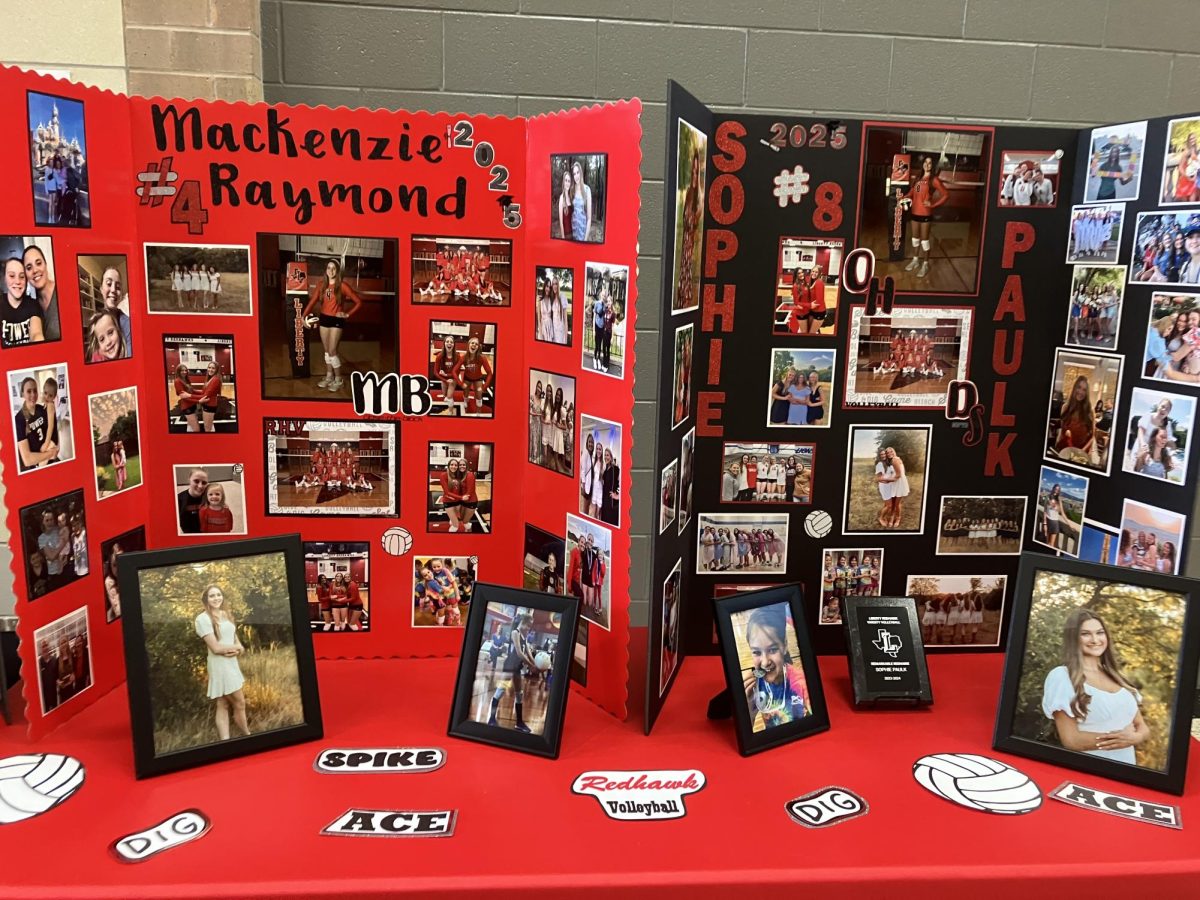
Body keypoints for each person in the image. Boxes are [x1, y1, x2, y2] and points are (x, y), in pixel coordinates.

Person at [1042, 608, 1148, 764]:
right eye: (1085, 634)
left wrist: (1135, 737)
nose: (1095, 639)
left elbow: (1142, 726)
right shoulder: (1062, 676)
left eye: (1100, 632)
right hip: (1091, 768)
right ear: (1073, 639)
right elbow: (1071, 740)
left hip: (1127, 766)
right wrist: (1121, 739)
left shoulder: (1118, 677)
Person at [194, 585, 250, 741]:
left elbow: (236, 641)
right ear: (206, 599)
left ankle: (225, 740)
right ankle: (248, 736)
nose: (216, 598)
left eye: (219, 594)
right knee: (240, 702)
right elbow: (216, 648)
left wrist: (239, 649)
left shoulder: (225, 614)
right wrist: (236, 648)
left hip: (232, 664)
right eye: (212, 596)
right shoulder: (202, 619)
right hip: (220, 665)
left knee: (223, 703)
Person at [741, 605, 810, 731]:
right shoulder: (755, 679)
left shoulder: (801, 685)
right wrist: (747, 711)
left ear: (785, 645)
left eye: (772, 649)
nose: (764, 662)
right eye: (756, 652)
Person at [302, 258, 363, 392]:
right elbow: (312, 302)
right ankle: (329, 376)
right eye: (329, 268)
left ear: (338, 270)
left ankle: (338, 379)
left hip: (337, 320)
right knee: (326, 351)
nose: (331, 270)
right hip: (324, 319)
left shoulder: (343, 286)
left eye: (334, 268)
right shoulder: (321, 285)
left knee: (332, 351)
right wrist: (303, 316)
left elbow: (358, 302)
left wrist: (347, 314)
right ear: (326, 270)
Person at [487, 613, 537, 732]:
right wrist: (531, 665)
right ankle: (491, 719)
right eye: (528, 625)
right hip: (509, 666)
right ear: (523, 622)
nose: (529, 628)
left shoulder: (525, 637)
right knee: (500, 691)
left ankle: (519, 723)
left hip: (517, 668)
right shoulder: (515, 633)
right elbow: (519, 653)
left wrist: (536, 664)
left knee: (519, 694)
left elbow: (529, 653)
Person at [901, 156, 948, 279]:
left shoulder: (934, 180)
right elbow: (912, 192)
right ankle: (916, 260)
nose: (927, 164)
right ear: (922, 164)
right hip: (914, 213)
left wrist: (933, 205)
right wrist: (903, 197)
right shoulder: (917, 178)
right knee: (915, 239)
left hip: (925, 214)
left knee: (924, 241)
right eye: (925, 162)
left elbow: (946, 195)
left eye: (930, 162)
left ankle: (925, 264)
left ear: (932, 165)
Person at [13, 376, 58, 471]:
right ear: (22, 394)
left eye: (35, 390)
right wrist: (50, 454)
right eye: (29, 391)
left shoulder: (42, 409)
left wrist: (56, 448)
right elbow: (27, 460)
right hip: (37, 467)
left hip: (52, 461)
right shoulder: (18, 420)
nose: (33, 394)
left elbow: (53, 431)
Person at [2, 257, 43, 347]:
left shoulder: (33, 304)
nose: (17, 281)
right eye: (12, 276)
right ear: (5, 278)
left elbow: (36, 334)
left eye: (21, 277)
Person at [23, 245, 59, 341]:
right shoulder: (32, 306)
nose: (35, 270)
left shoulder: (63, 290)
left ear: (45, 265)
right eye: (29, 268)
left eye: (38, 263)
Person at [451, 336, 493, 416]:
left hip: (478, 378)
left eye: (476, 344)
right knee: (465, 393)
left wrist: (484, 386)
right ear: (468, 345)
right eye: (472, 343)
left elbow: (489, 373)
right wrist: (460, 383)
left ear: (478, 347)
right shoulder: (463, 358)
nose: (474, 345)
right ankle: (465, 402)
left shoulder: (482, 358)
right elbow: (454, 371)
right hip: (467, 378)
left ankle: (478, 413)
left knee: (479, 395)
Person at [437, 457, 478, 533]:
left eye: (456, 465)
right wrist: (461, 497)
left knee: (464, 520)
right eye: (452, 465)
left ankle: (469, 532)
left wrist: (462, 497)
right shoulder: (444, 475)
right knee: (455, 526)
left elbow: (469, 490)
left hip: (462, 502)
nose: (454, 466)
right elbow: (447, 492)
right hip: (451, 502)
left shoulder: (463, 475)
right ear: (448, 465)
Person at [99, 266, 132, 350]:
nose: (113, 290)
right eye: (109, 284)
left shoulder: (128, 324)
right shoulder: (96, 324)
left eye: (118, 287)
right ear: (101, 289)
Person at [177, 468, 209, 534]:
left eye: (204, 483)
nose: (200, 486)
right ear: (189, 480)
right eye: (196, 481)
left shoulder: (209, 497)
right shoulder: (178, 499)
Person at [570, 158, 593, 242]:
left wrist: (585, 239)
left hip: (582, 233)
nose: (576, 176)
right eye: (574, 174)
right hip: (573, 232)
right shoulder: (572, 189)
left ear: (581, 173)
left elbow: (589, 218)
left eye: (578, 172)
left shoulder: (587, 190)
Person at [196, 361, 223, 432]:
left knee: (207, 428)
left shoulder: (215, 379)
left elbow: (205, 395)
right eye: (209, 367)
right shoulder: (210, 378)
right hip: (207, 404)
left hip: (210, 405)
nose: (210, 369)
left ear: (216, 369)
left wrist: (189, 396)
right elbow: (203, 392)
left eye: (213, 368)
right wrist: (192, 390)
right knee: (209, 426)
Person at [601, 447, 620, 525]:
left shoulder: (615, 469)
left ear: (611, 457)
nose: (606, 457)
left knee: (611, 522)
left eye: (608, 455)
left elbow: (620, 483)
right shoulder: (606, 469)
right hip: (605, 500)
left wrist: (617, 494)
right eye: (605, 455)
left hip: (611, 501)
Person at [556, 167, 574, 241]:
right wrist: (563, 238)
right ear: (563, 182)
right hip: (566, 235)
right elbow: (561, 222)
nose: (567, 183)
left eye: (569, 181)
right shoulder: (561, 198)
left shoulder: (571, 197)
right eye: (566, 180)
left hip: (573, 233)